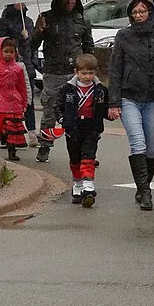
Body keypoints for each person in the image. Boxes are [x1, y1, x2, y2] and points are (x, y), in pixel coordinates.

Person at [107, 0, 154, 211]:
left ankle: (142, 185)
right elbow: (115, 69)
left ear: (149, 12)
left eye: (142, 11)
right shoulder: (123, 36)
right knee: (137, 142)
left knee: (151, 147)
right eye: (135, 12)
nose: (138, 15)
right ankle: (146, 191)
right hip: (129, 97)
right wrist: (114, 101)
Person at [34, 0, 95, 163]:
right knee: (50, 112)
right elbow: (31, 44)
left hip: (75, 73)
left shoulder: (82, 20)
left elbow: (88, 47)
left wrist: (89, 69)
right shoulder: (47, 18)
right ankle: (45, 145)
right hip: (54, 72)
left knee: (81, 112)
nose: (70, 2)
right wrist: (39, 30)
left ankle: (85, 151)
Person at [56, 53, 111, 208]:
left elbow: (105, 109)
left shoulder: (100, 90)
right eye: (84, 73)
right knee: (75, 158)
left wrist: (110, 115)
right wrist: (63, 120)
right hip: (72, 129)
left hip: (91, 128)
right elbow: (58, 107)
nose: (88, 76)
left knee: (88, 155)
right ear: (76, 72)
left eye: (91, 73)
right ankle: (78, 183)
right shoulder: (68, 89)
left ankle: (88, 184)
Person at [0, 1, 40, 139]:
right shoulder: (3, 22)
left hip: (27, 67)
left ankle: (32, 131)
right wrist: (17, 39)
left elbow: (33, 45)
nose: (21, 4)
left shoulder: (28, 22)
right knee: (8, 101)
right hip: (9, 69)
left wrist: (29, 39)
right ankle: (4, 132)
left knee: (28, 99)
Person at [0, 38, 31, 161]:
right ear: (0, 51)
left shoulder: (18, 68)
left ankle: (12, 151)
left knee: (13, 130)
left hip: (15, 104)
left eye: (11, 52)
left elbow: (22, 87)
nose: (8, 54)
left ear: (15, 53)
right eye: (6, 51)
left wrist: (24, 103)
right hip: (0, 104)